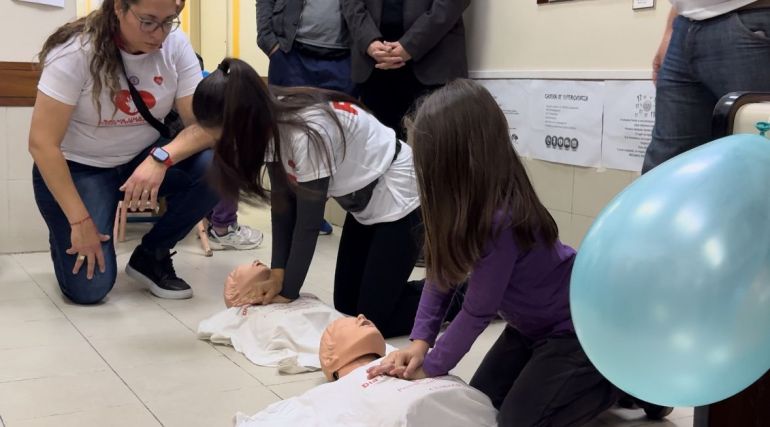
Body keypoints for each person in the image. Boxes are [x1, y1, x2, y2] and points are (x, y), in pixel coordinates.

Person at [367, 80, 618, 427]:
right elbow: (439, 277)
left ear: (456, 162)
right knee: (480, 401)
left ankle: (617, 382)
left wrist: (432, 366)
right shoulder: (457, 206)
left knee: (517, 421)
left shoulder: (501, 219)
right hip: (528, 328)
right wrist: (420, 342)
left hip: (575, 330)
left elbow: (476, 311)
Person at [192, 58, 423, 338]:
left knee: (373, 323)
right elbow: (282, 206)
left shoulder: (305, 133)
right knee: (348, 306)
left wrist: (288, 291)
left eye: (225, 138)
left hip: (403, 195)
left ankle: (459, 296)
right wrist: (278, 272)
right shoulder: (267, 121)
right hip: (365, 201)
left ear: (242, 121)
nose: (224, 147)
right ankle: (408, 291)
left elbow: (308, 222)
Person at [29, 0, 219, 304]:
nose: (158, 34)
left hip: (139, 160)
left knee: (218, 167)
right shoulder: (75, 51)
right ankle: (65, 229)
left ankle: (151, 255)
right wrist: (79, 223)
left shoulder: (176, 45)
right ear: (119, 8)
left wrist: (161, 158)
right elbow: (41, 143)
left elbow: (204, 126)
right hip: (79, 168)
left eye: (168, 21)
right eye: (147, 21)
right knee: (89, 291)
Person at [233, 315, 498, 427]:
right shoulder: (327, 397)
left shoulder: (408, 360)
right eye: (348, 322)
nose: (361, 316)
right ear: (329, 356)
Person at [257, 0, 358, 235]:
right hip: (291, 56)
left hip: (343, 60)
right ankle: (289, 217)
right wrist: (269, 42)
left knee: (331, 144)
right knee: (285, 144)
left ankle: (311, 212)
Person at [642, 0, 770, 173]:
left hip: (753, 16)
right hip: (685, 25)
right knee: (664, 168)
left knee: (758, 166)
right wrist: (670, 29)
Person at [340, 0, 470, 139]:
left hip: (434, 60)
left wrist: (411, 45)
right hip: (374, 63)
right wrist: (368, 40)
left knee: (439, 148)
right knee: (381, 149)